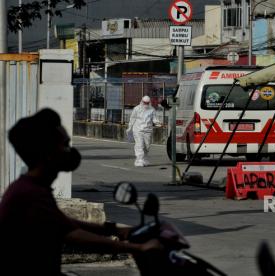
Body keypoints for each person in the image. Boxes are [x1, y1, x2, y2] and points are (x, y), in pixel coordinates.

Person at [0, 109, 164, 276]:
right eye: (64, 145)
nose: (70, 151)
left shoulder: (33, 188)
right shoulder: (29, 195)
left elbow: (66, 223)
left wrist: (115, 230)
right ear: (47, 154)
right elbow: (73, 234)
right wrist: (136, 248)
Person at [126, 96, 161, 167]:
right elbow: (132, 118)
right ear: (142, 101)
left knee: (147, 146)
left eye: (147, 103)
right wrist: (130, 127)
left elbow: (154, 119)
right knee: (140, 145)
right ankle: (139, 160)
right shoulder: (136, 109)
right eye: (145, 103)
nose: (146, 104)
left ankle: (144, 159)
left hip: (148, 130)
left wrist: (158, 123)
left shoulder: (152, 109)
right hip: (138, 130)